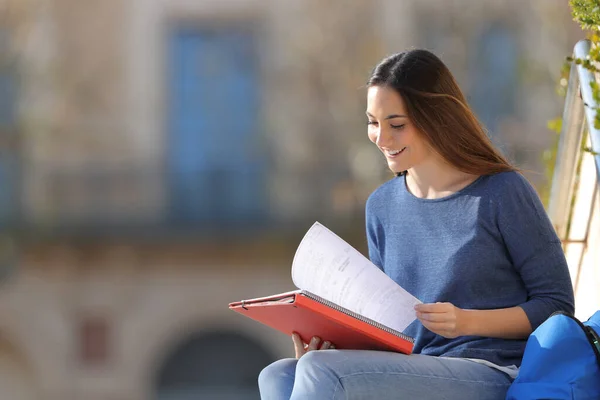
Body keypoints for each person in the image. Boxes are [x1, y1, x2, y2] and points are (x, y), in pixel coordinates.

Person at [257, 49, 575, 400]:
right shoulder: (381, 206)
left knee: (320, 372)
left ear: (436, 119)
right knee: (281, 374)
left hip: (492, 372)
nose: (381, 138)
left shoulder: (501, 192)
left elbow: (556, 304)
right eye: (372, 123)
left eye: (396, 125)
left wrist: (466, 322)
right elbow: (384, 322)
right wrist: (336, 343)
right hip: (412, 368)